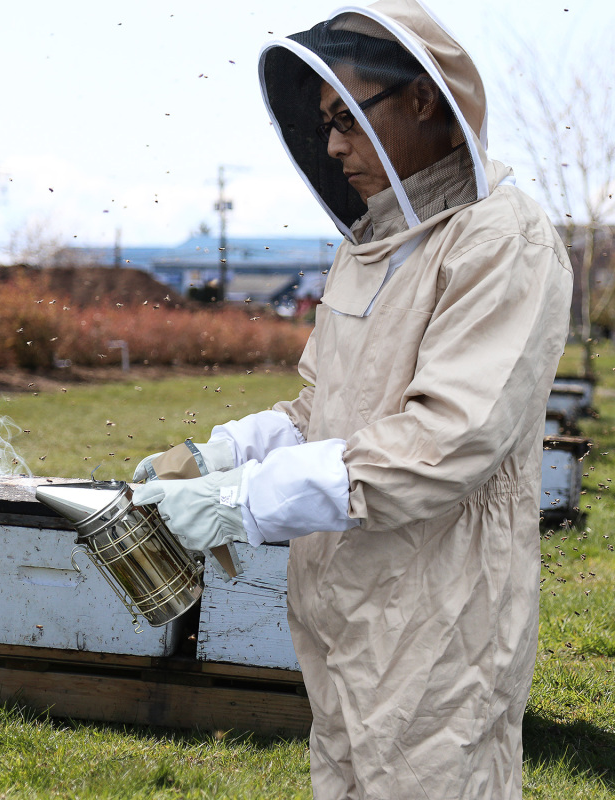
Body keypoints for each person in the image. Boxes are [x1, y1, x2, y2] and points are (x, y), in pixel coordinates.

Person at [133, 1, 573, 797]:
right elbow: (322, 411)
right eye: (326, 123)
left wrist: (245, 502)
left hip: (441, 612)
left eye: (347, 117)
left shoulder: (499, 240)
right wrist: (223, 453)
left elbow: (446, 440)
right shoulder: (373, 245)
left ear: (421, 100)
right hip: (346, 601)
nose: (332, 146)